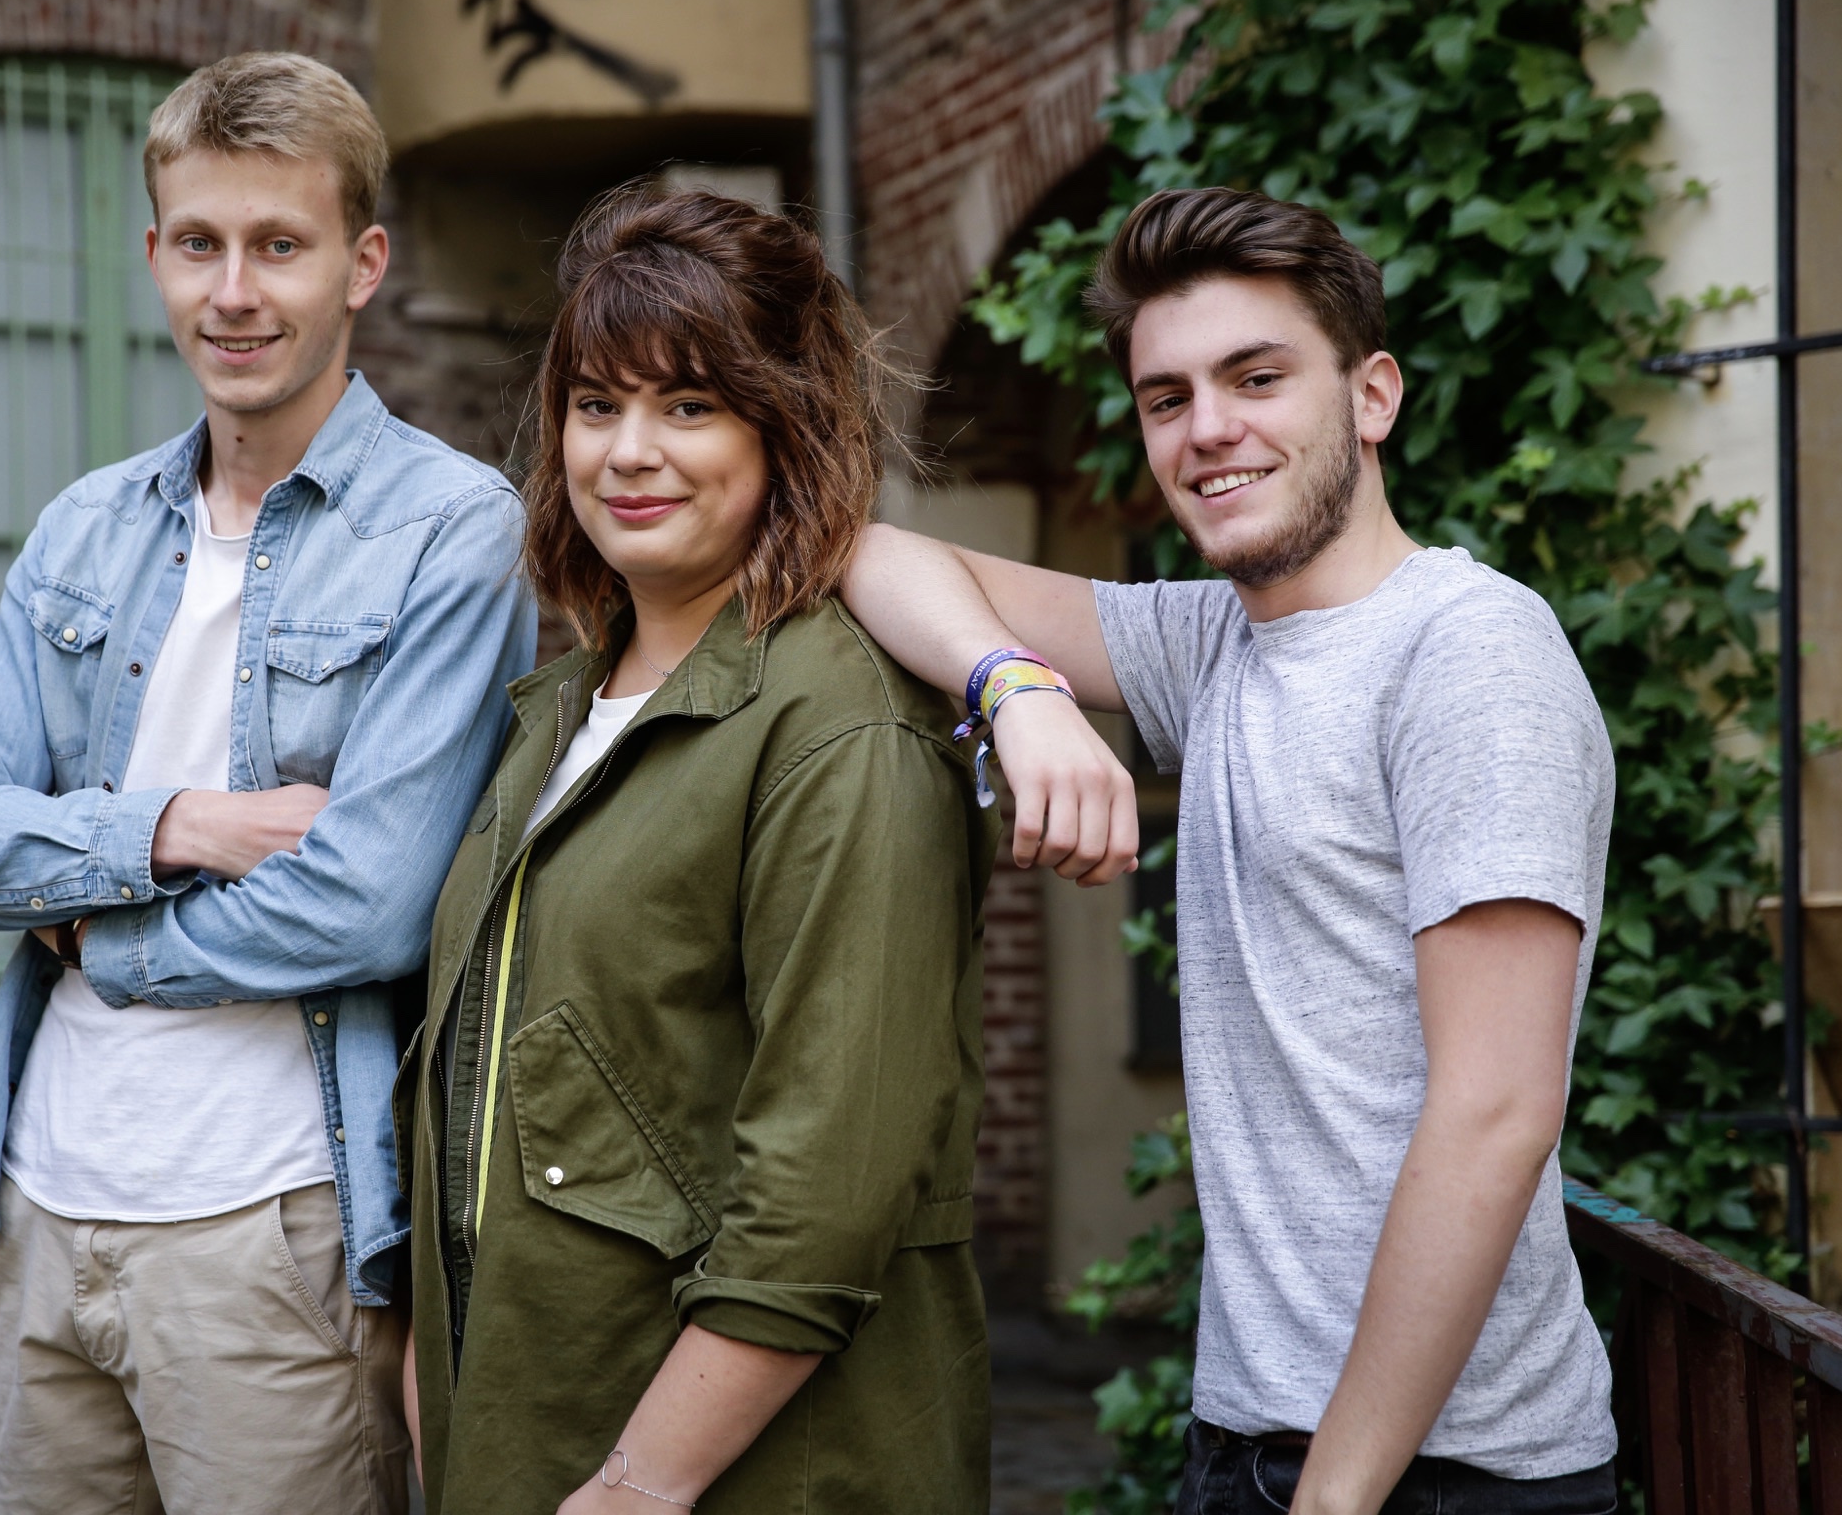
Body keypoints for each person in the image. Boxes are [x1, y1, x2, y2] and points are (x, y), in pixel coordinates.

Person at [839, 187, 1619, 1515]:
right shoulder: (1215, 648)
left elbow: (1495, 1116)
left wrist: (1333, 1495)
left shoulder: (1467, 653)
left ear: (1369, 397)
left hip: (1441, 1475)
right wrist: (1017, 694)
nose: (1206, 431)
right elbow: (862, 549)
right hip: (1251, 1440)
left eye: (1255, 378)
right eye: (1164, 397)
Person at [0, 53, 534, 1515]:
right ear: (154, 255)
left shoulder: (449, 532)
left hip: (273, 1227)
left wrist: (90, 929)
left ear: (361, 263)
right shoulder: (85, 527)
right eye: (199, 245)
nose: (233, 294)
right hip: (38, 1201)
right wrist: (173, 826)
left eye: (278, 246)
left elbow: (368, 905)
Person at [396, 185, 1000, 1514]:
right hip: (530, 1431)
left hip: (733, 1477)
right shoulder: (556, 710)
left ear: (783, 428)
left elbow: (825, 1181)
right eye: (596, 404)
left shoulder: (837, 724)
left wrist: (637, 1484)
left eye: (688, 406)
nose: (627, 452)